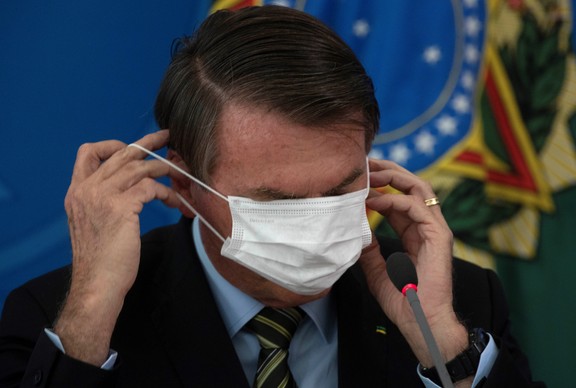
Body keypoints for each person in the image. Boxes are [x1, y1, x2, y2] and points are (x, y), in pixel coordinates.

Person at [0, 5, 544, 388]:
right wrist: (90, 318)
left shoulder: (460, 302)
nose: (314, 228)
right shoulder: (62, 318)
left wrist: (442, 345)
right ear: (185, 185)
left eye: (339, 189)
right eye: (275, 201)